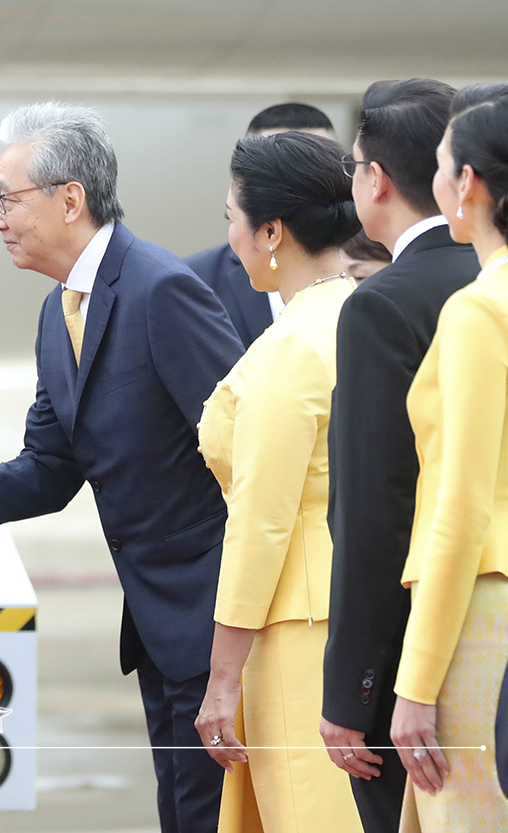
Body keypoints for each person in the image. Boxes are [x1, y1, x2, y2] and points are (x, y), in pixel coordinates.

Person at [0, 102, 244, 832]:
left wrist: (237, 632)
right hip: (157, 629)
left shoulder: (160, 290)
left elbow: (249, 454)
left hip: (215, 625)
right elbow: (50, 468)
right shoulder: (60, 314)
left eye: (4, 198)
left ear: (70, 199)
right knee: (183, 814)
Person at [320, 78, 480, 833]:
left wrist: (353, 691)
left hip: (425, 644)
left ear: (375, 179)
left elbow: (375, 510)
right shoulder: (490, 275)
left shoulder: (383, 303)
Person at [191, 131, 363, 832]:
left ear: (271, 231)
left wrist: (221, 675)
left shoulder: (290, 346)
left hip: (298, 626)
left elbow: (261, 522)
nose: (228, 235)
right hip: (360, 608)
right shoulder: (366, 313)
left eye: (231, 215)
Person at [389, 83, 508, 832]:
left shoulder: (478, 308)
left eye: (440, 166)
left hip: (483, 613)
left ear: (467, 183)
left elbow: (458, 507)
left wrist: (416, 681)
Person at [185, 103, 336, 348]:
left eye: (317, 165)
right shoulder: (194, 280)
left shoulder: (375, 265)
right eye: (274, 167)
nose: (297, 183)